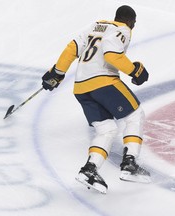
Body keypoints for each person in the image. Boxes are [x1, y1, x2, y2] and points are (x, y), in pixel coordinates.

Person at [42, 5, 150, 194]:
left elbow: (72, 48)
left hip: (81, 87)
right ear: (131, 21)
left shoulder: (97, 25)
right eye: (134, 23)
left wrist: (57, 73)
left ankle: (89, 170)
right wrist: (135, 71)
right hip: (103, 81)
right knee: (135, 115)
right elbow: (111, 55)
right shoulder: (122, 30)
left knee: (106, 130)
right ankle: (130, 163)